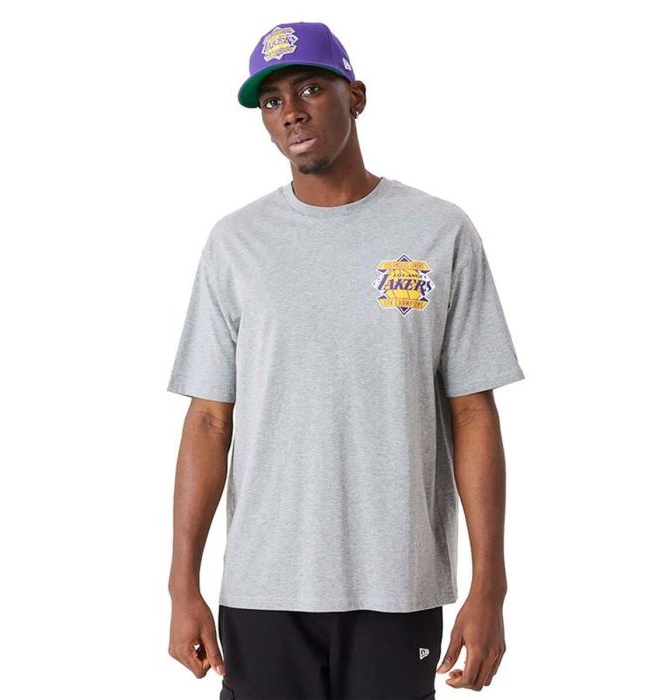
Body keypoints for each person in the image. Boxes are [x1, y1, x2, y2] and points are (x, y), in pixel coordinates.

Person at [166, 21, 525, 699]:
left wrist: (491, 586)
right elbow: (209, 420)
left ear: (355, 97)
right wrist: (182, 582)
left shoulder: (439, 231)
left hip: (396, 584)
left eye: (310, 89)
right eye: (272, 101)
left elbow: (473, 412)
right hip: (264, 587)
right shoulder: (235, 244)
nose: (291, 112)